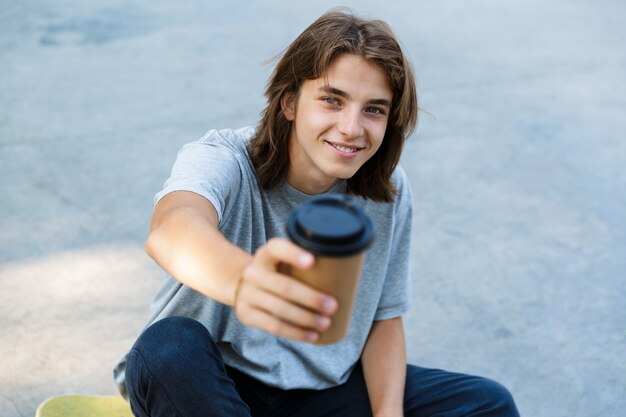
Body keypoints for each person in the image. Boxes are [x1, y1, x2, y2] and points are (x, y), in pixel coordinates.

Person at [114, 9, 520, 417]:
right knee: (167, 346)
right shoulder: (224, 158)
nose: (351, 127)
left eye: (374, 110)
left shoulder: (387, 191)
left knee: (488, 404)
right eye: (332, 100)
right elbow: (172, 228)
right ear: (290, 102)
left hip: (316, 394)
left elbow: (384, 317)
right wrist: (246, 281)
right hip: (213, 383)